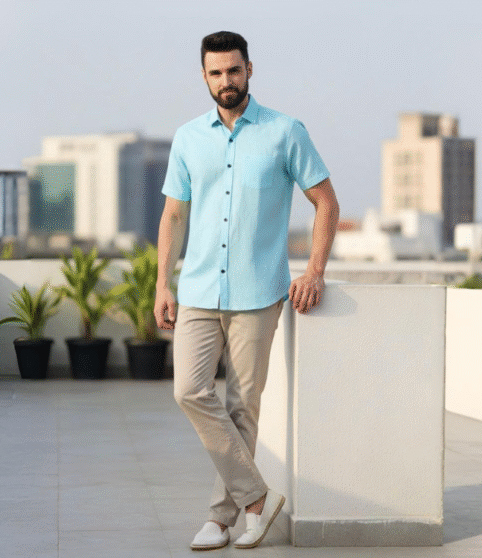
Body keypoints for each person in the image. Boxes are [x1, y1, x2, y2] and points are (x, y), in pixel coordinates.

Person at [154, 31, 339, 551]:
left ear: (249, 70)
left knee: (242, 407)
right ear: (204, 76)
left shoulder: (286, 132)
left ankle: (221, 519)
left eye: (234, 70)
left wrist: (314, 271)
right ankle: (257, 500)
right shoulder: (188, 137)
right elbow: (173, 214)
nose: (226, 81)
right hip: (197, 288)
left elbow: (326, 202)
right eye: (216, 73)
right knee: (189, 390)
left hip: (259, 292)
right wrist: (162, 283)